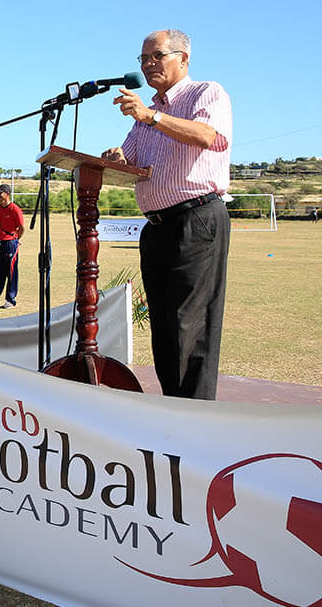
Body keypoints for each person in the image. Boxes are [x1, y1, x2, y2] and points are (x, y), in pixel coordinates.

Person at [102, 29, 232, 400]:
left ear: (183, 59)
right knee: (163, 324)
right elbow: (130, 162)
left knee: (190, 325)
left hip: (197, 219)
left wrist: (151, 117)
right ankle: (173, 408)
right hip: (156, 226)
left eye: (156, 56)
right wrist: (116, 159)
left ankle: (195, 417)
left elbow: (208, 136)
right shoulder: (147, 113)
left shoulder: (206, 93)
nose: (147, 65)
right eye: (142, 59)